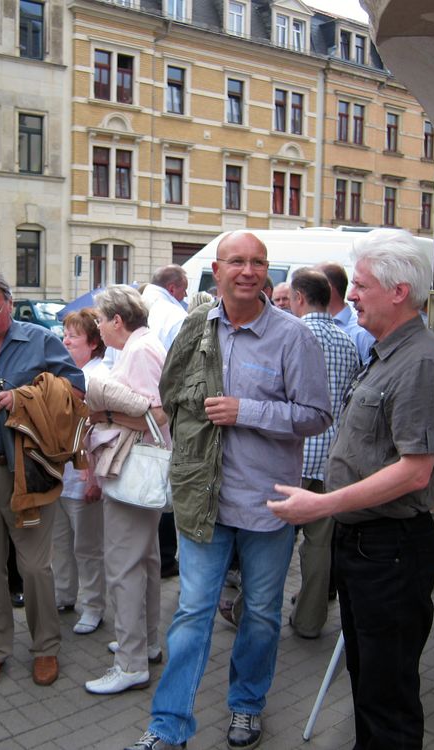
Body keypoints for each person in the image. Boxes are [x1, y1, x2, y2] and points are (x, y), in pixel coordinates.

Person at [126, 231, 332, 750]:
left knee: (260, 614)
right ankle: (168, 726)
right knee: (193, 612)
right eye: (236, 261)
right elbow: (171, 394)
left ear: (269, 272)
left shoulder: (293, 336)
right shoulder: (196, 327)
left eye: (258, 262)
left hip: (268, 503)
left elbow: (317, 416)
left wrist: (248, 411)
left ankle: (246, 706)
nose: (248, 270)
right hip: (205, 500)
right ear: (216, 271)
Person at [270, 229, 434, 750]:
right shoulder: (387, 353)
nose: (349, 295)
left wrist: (324, 503)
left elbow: (415, 471)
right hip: (366, 548)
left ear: (398, 292)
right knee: (369, 682)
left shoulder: (421, 361)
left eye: (360, 285)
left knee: (389, 695)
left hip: (391, 551)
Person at [0, 269, 84, 688]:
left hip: (26, 473)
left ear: (9, 304)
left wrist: (26, 396)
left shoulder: (39, 339)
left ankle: (45, 648)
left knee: (36, 567)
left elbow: (75, 389)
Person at [84, 286, 169, 695]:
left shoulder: (138, 350)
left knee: (122, 567)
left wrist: (105, 413)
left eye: (100, 320)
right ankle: (145, 642)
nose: (98, 328)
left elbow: (157, 415)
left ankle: (130, 661)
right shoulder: (143, 344)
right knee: (144, 562)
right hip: (139, 472)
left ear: (118, 320)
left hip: (134, 471)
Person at [286, 268, 359, 639]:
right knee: (318, 545)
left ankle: (252, 611)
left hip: (291, 453)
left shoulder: (290, 335)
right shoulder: (347, 341)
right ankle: (310, 622)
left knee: (271, 540)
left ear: (299, 297)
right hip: (331, 456)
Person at [52, 308, 108, 635]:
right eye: (65, 334)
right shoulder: (66, 373)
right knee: (60, 543)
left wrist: (95, 477)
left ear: (93, 342)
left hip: (84, 478)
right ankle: (63, 594)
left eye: (73, 336)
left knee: (87, 548)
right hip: (60, 478)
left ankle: (94, 606)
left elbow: (101, 431)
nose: (65, 340)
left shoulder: (99, 376)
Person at [140, 265, 189, 579]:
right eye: (183, 290)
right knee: (166, 488)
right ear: (173, 288)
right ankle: (165, 558)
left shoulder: (141, 308)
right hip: (168, 414)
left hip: (139, 415)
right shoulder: (174, 316)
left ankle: (152, 555)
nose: (185, 296)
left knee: (149, 484)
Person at [318, 261, 376, 364]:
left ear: (327, 288)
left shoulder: (362, 331)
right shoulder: (315, 325)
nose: (306, 291)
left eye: (312, 285)